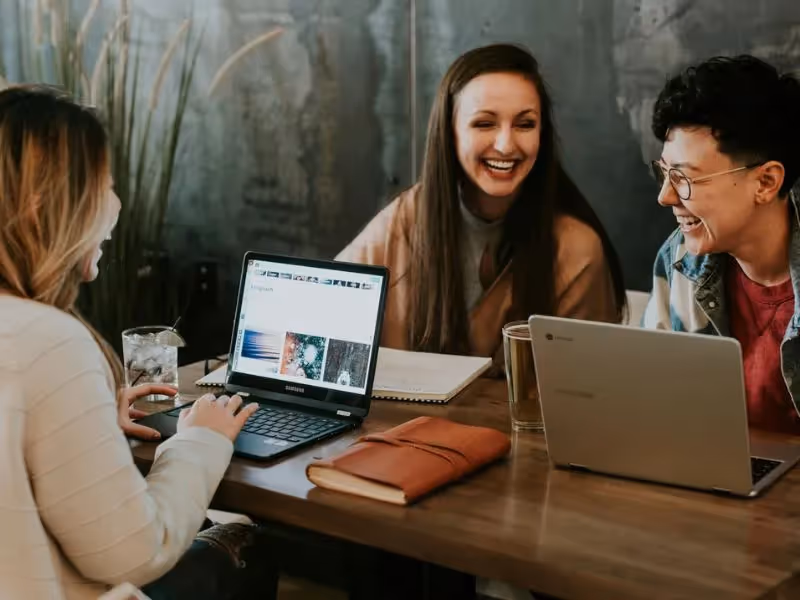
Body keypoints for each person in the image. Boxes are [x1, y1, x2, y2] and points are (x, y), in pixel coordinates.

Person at [0, 85, 275, 599]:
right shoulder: (49, 342)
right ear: (43, 208)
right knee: (245, 540)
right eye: (103, 185)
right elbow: (135, 551)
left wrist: (90, 421)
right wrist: (201, 440)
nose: (116, 204)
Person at [337, 44, 627, 369]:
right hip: (403, 421)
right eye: (484, 124)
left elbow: (583, 393)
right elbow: (321, 318)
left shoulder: (577, 251)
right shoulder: (404, 219)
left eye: (525, 124)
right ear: (450, 133)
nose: (505, 145)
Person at [643, 55, 800, 434]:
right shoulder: (679, 258)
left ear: (765, 183)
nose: (665, 196)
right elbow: (651, 403)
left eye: (683, 177)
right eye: (664, 173)